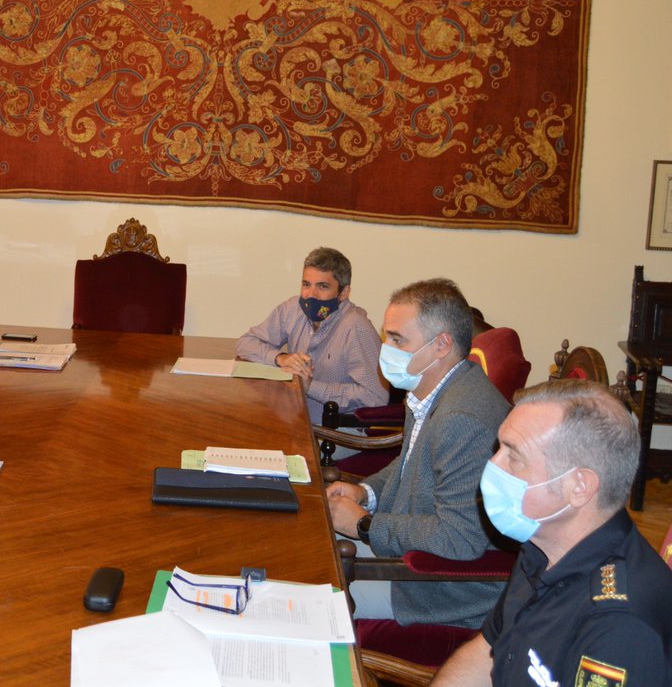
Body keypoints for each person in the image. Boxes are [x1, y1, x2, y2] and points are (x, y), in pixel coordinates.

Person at [432, 380, 672, 686]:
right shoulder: (541, 546)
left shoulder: (620, 626)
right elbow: (487, 652)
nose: (492, 466)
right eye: (498, 448)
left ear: (579, 487)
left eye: (513, 457)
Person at [326, 278, 510, 628]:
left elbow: (458, 539)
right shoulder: (429, 387)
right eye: (387, 336)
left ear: (441, 344)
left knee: (308, 588)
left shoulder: (462, 418)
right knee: (309, 541)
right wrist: (364, 492)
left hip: (437, 587)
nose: (386, 348)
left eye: (397, 339)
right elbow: (411, 463)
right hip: (411, 551)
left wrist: (365, 525)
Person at [236, 247, 387, 425]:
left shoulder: (356, 327)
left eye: (322, 286)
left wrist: (311, 387)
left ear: (344, 293)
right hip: (293, 417)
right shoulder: (292, 309)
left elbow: (375, 398)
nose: (311, 295)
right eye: (306, 285)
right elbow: (246, 343)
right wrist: (280, 358)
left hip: (335, 430)